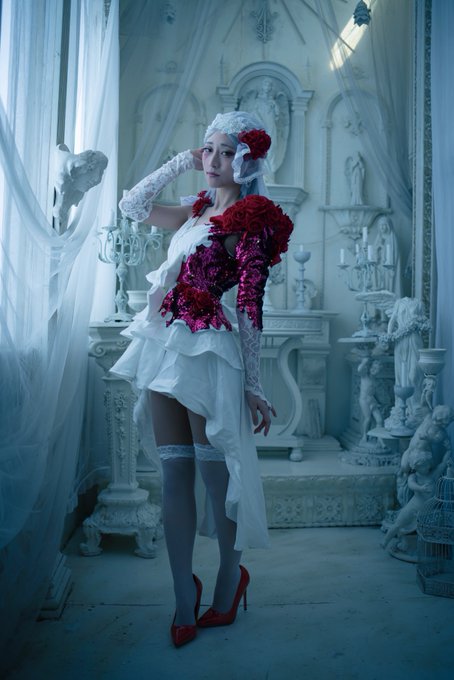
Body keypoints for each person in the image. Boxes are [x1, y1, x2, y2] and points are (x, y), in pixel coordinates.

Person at [110, 111, 293, 647]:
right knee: (173, 476)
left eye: (225, 152)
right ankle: (181, 596)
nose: (213, 161)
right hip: (165, 347)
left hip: (210, 354)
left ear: (247, 161)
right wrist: (180, 161)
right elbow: (131, 206)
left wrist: (254, 384)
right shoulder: (194, 211)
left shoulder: (251, 220)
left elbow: (252, 307)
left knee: (218, 484)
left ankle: (229, 581)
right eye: (207, 150)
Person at [53, 144, 108, 230]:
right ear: (86, 166)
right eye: (98, 171)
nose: (98, 179)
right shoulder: (64, 171)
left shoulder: (75, 194)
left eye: (102, 172)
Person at [357, 358, 384, 444]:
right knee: (368, 418)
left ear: (379, 371)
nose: (374, 370)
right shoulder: (365, 376)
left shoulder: (375, 380)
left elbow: (374, 393)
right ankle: (364, 435)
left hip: (372, 401)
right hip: (364, 401)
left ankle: (379, 438)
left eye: (377, 369)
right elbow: (359, 370)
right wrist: (363, 362)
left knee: (379, 420)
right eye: (373, 368)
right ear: (370, 367)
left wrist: (378, 402)